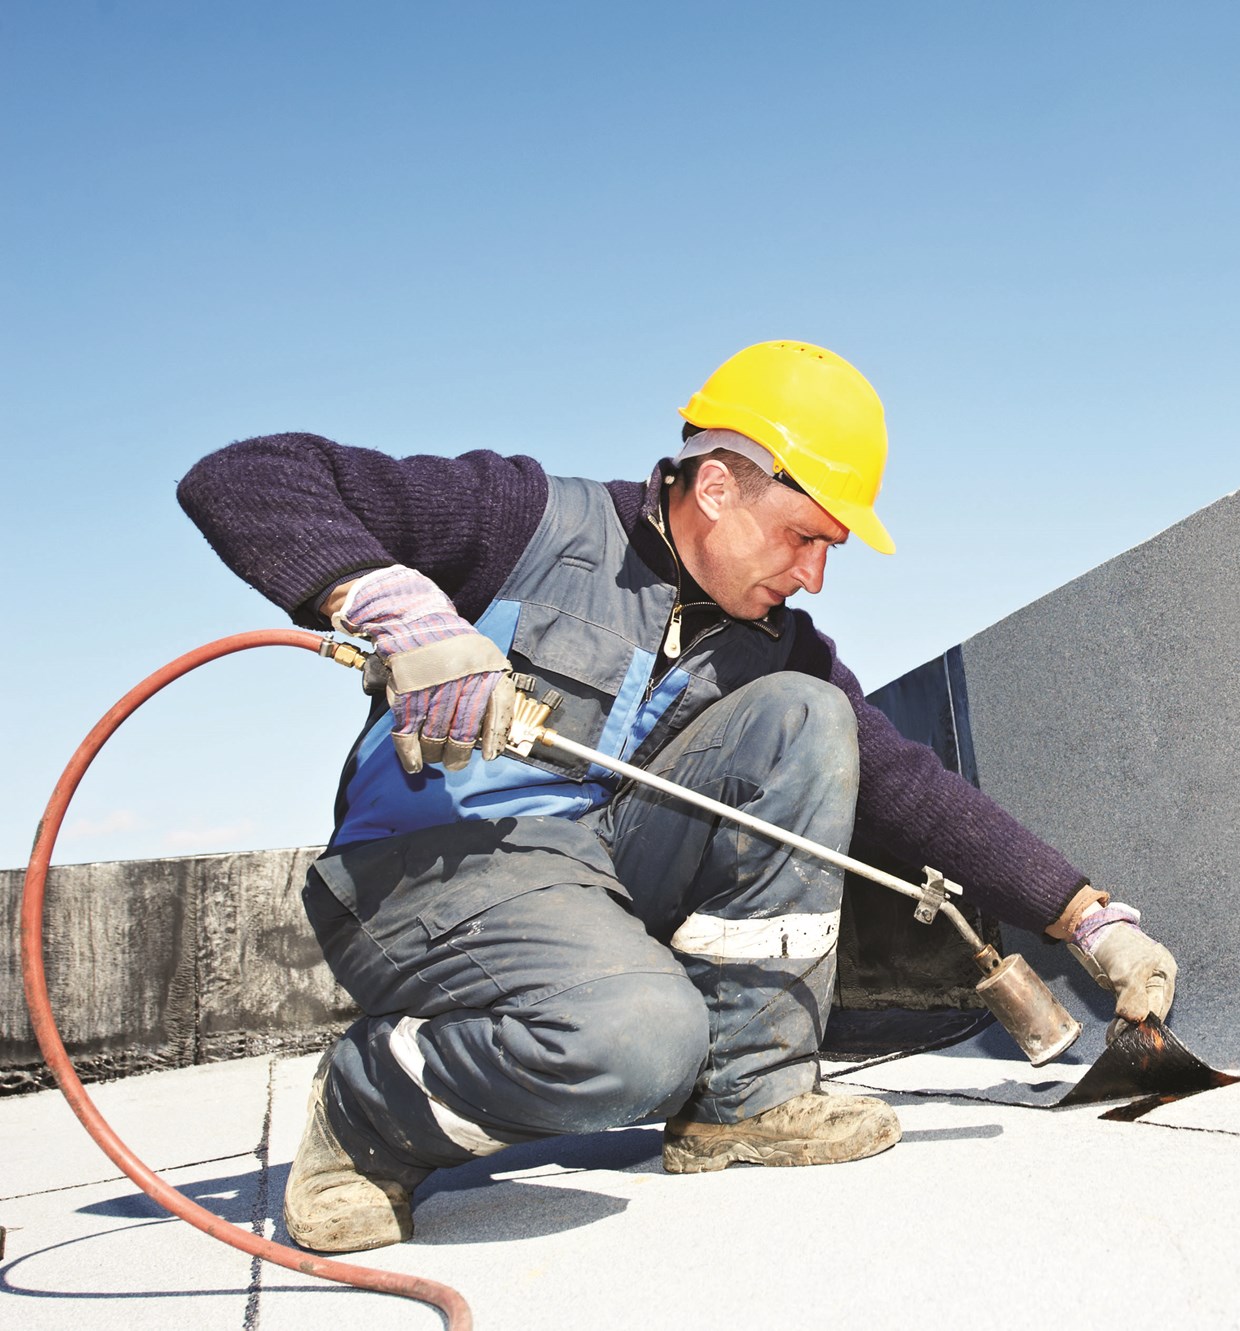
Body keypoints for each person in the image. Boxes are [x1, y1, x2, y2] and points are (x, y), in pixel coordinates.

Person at [177, 340, 1177, 1255]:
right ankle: (364, 1108)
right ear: (714, 485)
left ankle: (743, 1099)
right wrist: (391, 604)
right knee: (638, 1043)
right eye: (802, 537)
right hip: (428, 867)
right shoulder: (527, 520)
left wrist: (1088, 919)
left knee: (807, 719)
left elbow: (909, 789)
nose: (814, 575)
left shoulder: (769, 642)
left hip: (588, 869)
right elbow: (245, 475)